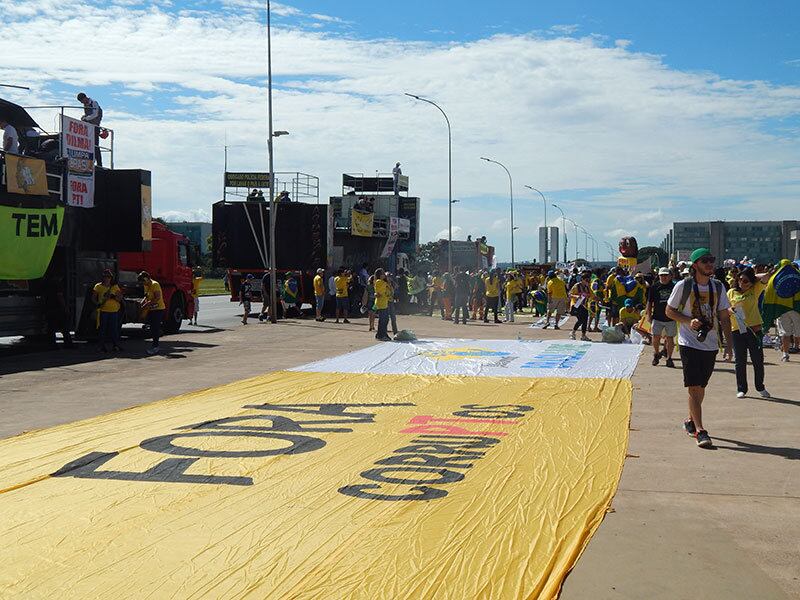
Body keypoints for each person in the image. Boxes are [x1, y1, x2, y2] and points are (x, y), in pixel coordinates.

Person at [665, 248, 733, 449]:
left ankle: (690, 420)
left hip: (710, 344)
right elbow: (669, 311)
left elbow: (723, 317)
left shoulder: (718, 287)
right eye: (705, 261)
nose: (710, 264)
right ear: (695, 265)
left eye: (711, 260)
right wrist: (688, 321)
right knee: (694, 387)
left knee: (701, 388)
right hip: (688, 343)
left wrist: (729, 345)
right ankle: (700, 430)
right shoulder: (683, 286)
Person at [728, 267, 771, 398]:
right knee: (740, 361)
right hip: (737, 329)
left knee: (757, 360)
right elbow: (724, 307)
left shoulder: (755, 290)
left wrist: (753, 277)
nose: (742, 282)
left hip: (754, 329)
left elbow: (766, 277)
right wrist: (729, 310)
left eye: (745, 281)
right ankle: (741, 388)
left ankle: (760, 386)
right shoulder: (731, 292)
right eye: (740, 280)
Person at [647, 267, 677, 368]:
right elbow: (649, 302)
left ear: (670, 276)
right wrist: (648, 315)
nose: (663, 277)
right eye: (661, 275)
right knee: (655, 336)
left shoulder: (674, 287)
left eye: (665, 275)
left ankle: (669, 358)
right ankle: (656, 353)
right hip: (657, 316)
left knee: (670, 338)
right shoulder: (654, 287)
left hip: (670, 317)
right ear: (658, 276)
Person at [93, 269, 122, 352]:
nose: (107, 278)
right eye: (105, 277)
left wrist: (113, 297)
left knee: (114, 330)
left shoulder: (114, 287)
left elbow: (120, 298)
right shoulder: (98, 286)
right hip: (103, 311)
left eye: (108, 277)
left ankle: (115, 345)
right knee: (102, 329)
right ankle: (101, 346)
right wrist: (97, 304)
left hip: (114, 311)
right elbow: (93, 298)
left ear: (111, 278)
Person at [138, 271, 166, 354]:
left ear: (146, 278)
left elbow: (157, 298)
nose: (143, 283)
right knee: (152, 327)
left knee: (155, 328)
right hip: (151, 309)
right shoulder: (146, 285)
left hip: (158, 309)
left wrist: (147, 304)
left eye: (143, 281)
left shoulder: (155, 284)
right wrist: (142, 302)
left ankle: (155, 346)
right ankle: (155, 344)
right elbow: (146, 296)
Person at [77, 92, 103, 167]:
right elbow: (88, 115)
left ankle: (99, 164)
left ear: (85, 98)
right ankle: (91, 162)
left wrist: (86, 118)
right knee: (88, 145)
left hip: (95, 127)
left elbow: (95, 114)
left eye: (82, 101)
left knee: (96, 145)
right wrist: (84, 117)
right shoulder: (85, 105)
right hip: (89, 128)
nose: (82, 103)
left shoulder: (94, 103)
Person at [569, 271, 594, 340]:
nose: (588, 281)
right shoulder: (577, 286)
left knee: (585, 320)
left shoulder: (587, 287)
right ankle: (573, 332)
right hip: (576, 305)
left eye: (589, 280)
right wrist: (576, 296)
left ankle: (583, 335)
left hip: (584, 305)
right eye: (586, 280)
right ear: (582, 279)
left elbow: (592, 295)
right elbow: (570, 294)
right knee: (581, 320)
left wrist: (599, 299)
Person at [374, 268, 391, 341]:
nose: (384, 275)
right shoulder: (378, 281)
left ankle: (381, 334)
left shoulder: (384, 282)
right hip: (381, 303)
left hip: (385, 302)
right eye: (382, 274)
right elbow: (380, 291)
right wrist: (387, 280)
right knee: (383, 320)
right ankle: (381, 335)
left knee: (386, 319)